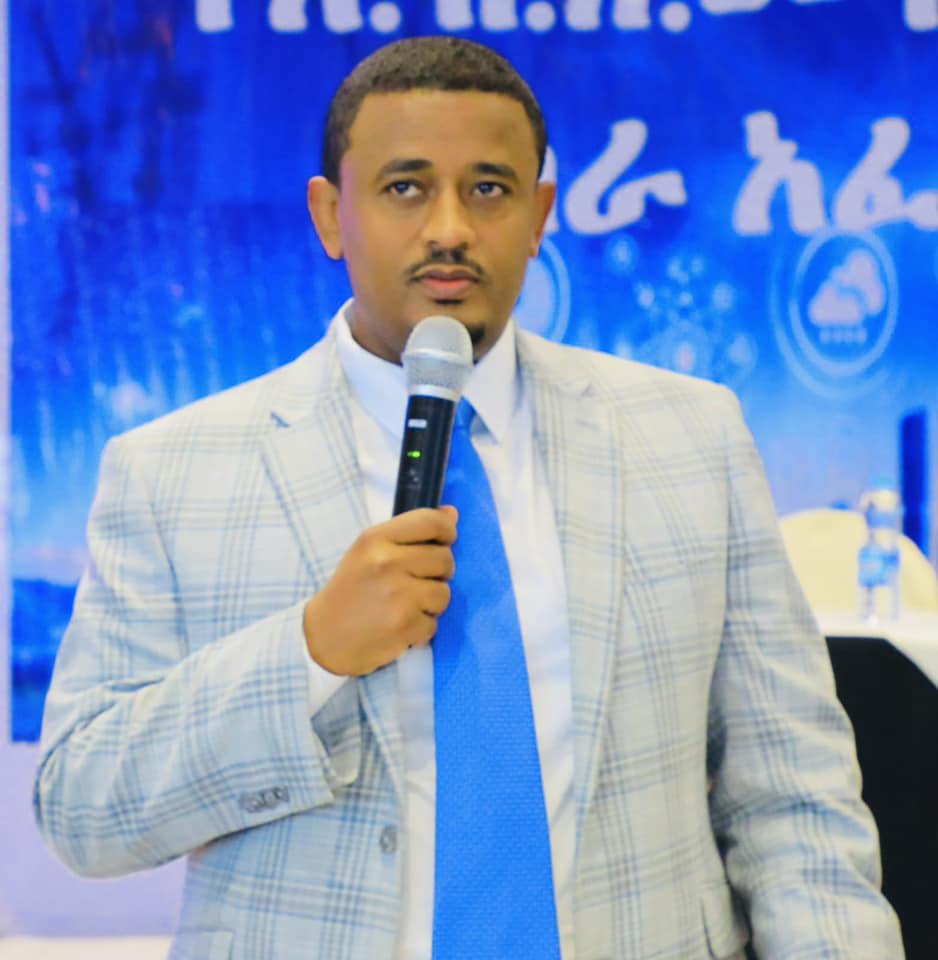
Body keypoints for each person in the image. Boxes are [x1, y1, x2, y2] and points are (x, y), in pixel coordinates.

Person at [34, 35, 902, 960]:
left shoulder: (692, 438)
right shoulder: (173, 471)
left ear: (538, 215)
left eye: (488, 188)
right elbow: (83, 805)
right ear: (330, 215)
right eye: (405, 187)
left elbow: (795, 803)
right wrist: (310, 651)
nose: (449, 227)